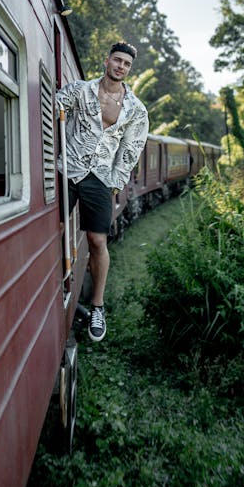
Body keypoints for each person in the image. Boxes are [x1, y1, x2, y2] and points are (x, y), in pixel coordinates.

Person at [56, 41, 149, 341]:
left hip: (100, 176)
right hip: (68, 168)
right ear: (107, 60)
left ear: (129, 69)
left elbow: (131, 149)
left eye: (127, 64)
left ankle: (97, 306)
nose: (121, 66)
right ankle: (52, 282)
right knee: (52, 227)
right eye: (118, 60)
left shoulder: (136, 109)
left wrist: (115, 182)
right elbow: (51, 106)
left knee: (97, 240)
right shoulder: (80, 90)